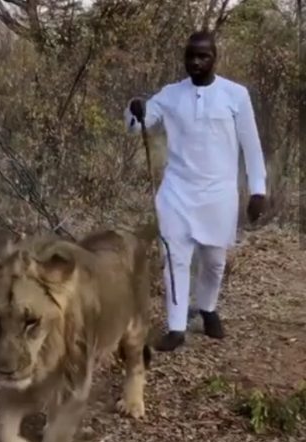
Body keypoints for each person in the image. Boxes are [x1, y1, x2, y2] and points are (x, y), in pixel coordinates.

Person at [124, 30, 267, 352]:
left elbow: (252, 146)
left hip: (219, 193)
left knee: (214, 261)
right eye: (191, 56)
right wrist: (135, 110)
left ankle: (208, 307)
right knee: (174, 258)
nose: (196, 62)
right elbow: (141, 124)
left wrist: (258, 189)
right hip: (177, 191)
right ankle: (175, 328)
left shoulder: (236, 95)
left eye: (203, 56)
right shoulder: (171, 94)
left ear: (215, 58)